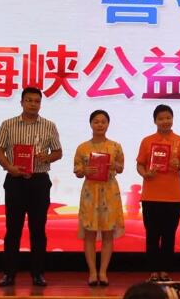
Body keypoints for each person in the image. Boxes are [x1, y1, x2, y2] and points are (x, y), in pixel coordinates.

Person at [0, 86, 62, 287]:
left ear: (40, 104)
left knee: (38, 229)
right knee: (13, 229)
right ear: (21, 102)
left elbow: (58, 152)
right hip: (15, 181)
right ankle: (8, 274)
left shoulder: (49, 126)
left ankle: (38, 274)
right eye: (29, 100)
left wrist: (46, 157)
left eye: (37, 101)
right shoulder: (8, 124)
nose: (33, 104)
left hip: (39, 181)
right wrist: (10, 167)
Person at [136, 105, 180, 283]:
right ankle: (152, 270)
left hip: (173, 196)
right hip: (151, 195)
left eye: (168, 118)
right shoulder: (147, 141)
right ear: (155, 121)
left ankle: (165, 270)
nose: (165, 121)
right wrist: (145, 173)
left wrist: (178, 164)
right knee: (152, 235)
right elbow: (140, 164)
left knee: (169, 235)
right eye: (161, 118)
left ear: (172, 119)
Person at [73, 110, 125, 286]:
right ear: (91, 124)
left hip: (110, 192)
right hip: (90, 193)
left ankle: (103, 272)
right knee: (90, 233)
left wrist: (114, 164)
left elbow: (121, 168)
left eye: (103, 121)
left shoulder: (115, 146)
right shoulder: (83, 147)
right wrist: (84, 170)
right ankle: (92, 272)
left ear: (108, 124)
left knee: (108, 233)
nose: (100, 125)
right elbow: (77, 171)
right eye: (96, 121)